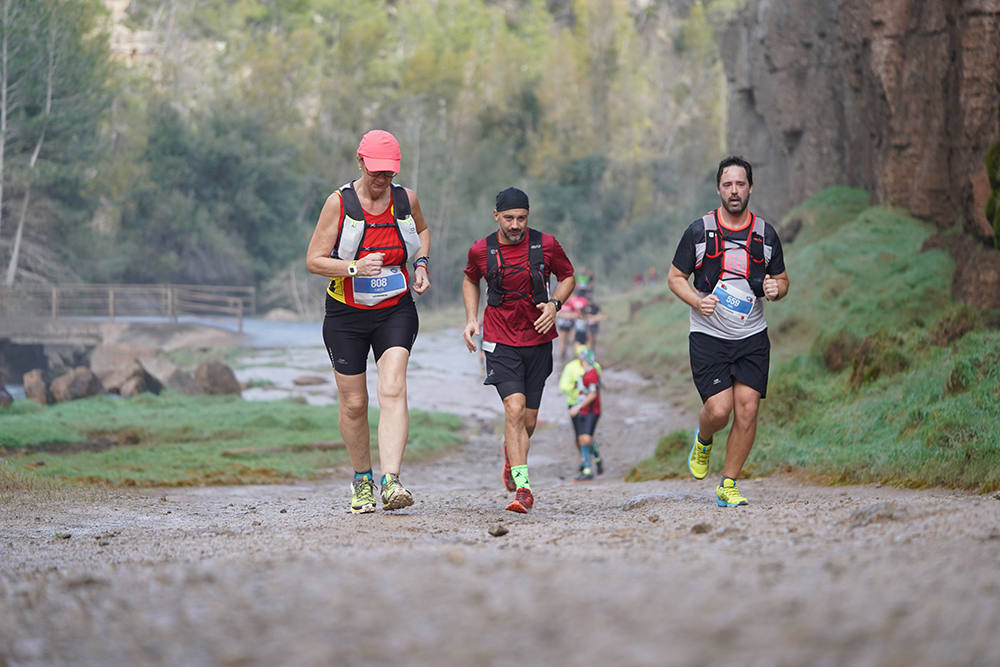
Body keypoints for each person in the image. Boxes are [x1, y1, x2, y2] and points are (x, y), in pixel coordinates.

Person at [305, 129, 431, 514]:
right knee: (355, 402)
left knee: (392, 388)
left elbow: (422, 232)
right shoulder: (338, 203)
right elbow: (314, 260)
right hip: (345, 315)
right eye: (376, 172)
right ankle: (362, 480)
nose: (381, 180)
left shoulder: (405, 199)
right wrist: (354, 267)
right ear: (360, 162)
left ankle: (391, 482)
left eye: (389, 173)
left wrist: (421, 264)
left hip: (395, 308)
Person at [667, 155, 789, 507]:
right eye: (727, 184)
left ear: (750, 187)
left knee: (747, 410)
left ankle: (729, 484)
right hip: (708, 336)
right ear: (718, 188)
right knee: (720, 411)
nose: (734, 191)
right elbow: (675, 278)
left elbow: (782, 280)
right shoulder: (699, 231)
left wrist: (776, 290)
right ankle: (704, 438)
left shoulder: (765, 234)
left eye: (740, 184)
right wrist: (695, 300)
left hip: (752, 336)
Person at [462, 187, 576, 513]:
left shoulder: (547, 244)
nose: (515, 225)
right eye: (509, 218)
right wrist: (471, 320)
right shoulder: (481, 250)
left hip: (538, 338)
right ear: (495, 216)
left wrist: (555, 304)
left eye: (521, 218)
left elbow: (568, 276)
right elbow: (470, 279)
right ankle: (524, 489)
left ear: (529, 216)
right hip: (499, 338)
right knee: (513, 408)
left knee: (527, 421)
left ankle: (511, 454)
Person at [558, 343, 603, 481]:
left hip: (588, 409)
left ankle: (590, 465)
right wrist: (575, 390)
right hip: (576, 405)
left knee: (585, 438)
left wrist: (578, 406)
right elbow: (564, 386)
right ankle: (589, 464)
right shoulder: (571, 367)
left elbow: (593, 393)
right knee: (581, 437)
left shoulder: (593, 371)